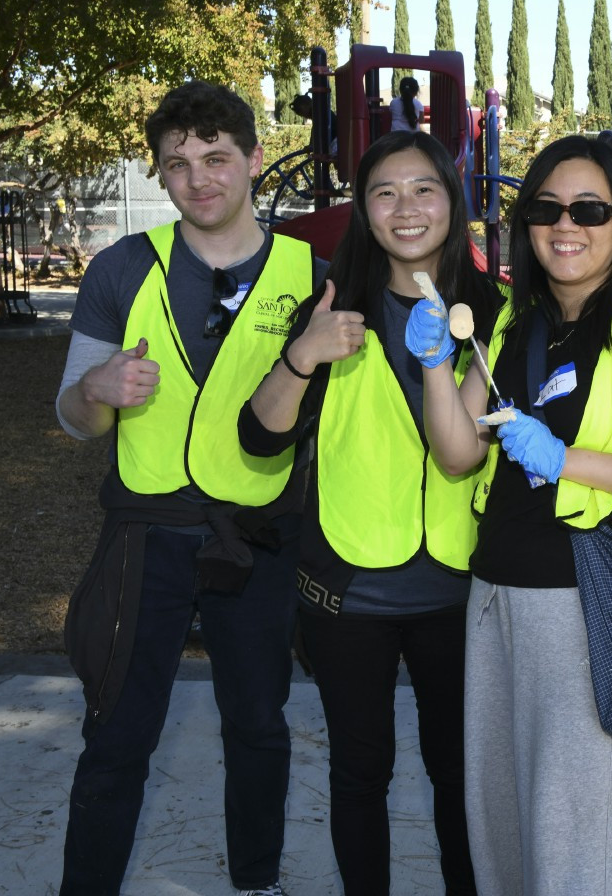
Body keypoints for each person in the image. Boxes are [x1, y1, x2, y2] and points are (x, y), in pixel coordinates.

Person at [414, 135, 612, 895]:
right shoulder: (514, 321)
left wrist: (565, 459)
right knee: (503, 826)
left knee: (577, 839)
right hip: (494, 599)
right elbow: (457, 455)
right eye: (546, 209)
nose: (565, 225)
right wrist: (432, 371)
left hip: (586, 605)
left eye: (589, 209)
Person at [55, 80, 322, 896]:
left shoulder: (312, 272)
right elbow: (72, 417)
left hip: (261, 539)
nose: (199, 178)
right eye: (178, 164)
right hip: (146, 540)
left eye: (216, 157)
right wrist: (96, 389)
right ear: (162, 176)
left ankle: (256, 881)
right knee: (117, 737)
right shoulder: (122, 267)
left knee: (258, 726)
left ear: (254, 159)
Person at [240, 130, 503, 895]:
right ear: (363, 210)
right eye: (384, 192)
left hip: (461, 591)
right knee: (360, 774)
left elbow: (480, 453)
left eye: (424, 188)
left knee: (460, 777)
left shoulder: (494, 311)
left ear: (453, 202)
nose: (406, 207)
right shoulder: (334, 307)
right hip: (348, 592)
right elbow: (260, 436)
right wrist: (303, 355)